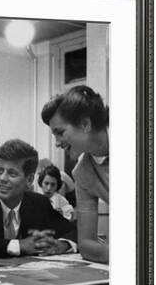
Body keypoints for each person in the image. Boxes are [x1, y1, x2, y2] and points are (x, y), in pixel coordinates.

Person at [0, 139, 77, 258]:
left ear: (29, 180)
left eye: (12, 174)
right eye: (0, 171)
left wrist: (63, 244)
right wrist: (18, 245)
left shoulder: (39, 204)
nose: (2, 178)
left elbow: (74, 230)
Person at [41, 85, 109, 263]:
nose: (57, 143)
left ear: (85, 124)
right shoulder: (82, 173)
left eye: (60, 133)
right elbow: (86, 245)